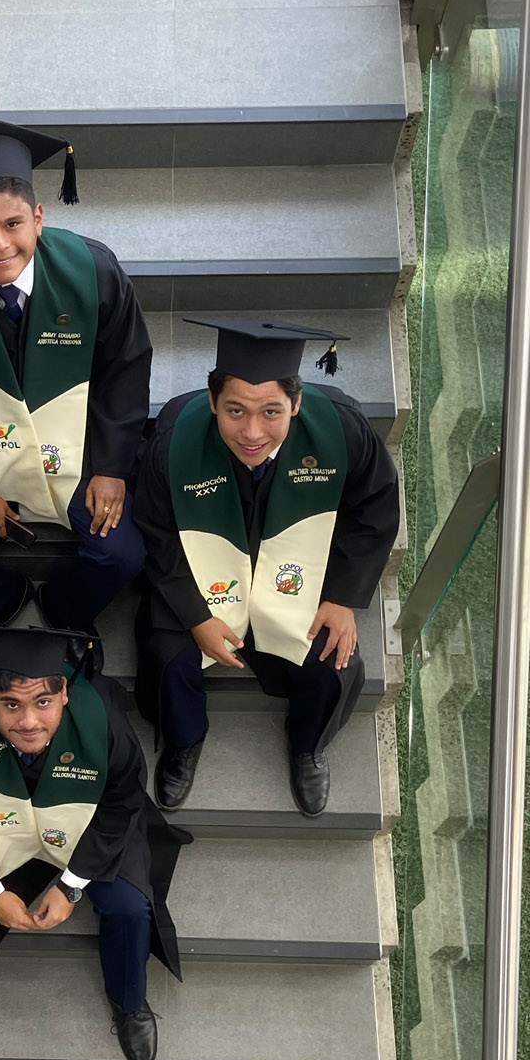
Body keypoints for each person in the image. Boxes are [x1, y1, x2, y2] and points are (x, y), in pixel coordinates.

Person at [0, 118, 152, 668]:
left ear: (38, 217)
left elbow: (126, 369)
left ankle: (66, 610)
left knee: (120, 554)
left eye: (13, 223)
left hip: (76, 446)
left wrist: (111, 466)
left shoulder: (93, 271)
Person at [134, 319, 400, 816]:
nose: (252, 432)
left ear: (296, 404)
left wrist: (342, 597)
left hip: (296, 574)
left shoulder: (340, 430)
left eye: (271, 412)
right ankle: (183, 740)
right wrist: (197, 616)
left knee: (335, 660)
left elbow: (375, 510)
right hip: (204, 573)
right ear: (212, 402)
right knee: (168, 655)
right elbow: (156, 532)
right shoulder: (175, 439)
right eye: (235, 410)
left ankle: (307, 744)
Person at [0, 627, 184, 1060]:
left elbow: (121, 804)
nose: (28, 722)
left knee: (129, 907)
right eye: (11, 704)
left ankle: (129, 1000)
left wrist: (71, 885)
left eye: (42, 702)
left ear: (64, 695)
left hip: (86, 825)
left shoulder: (103, 721)